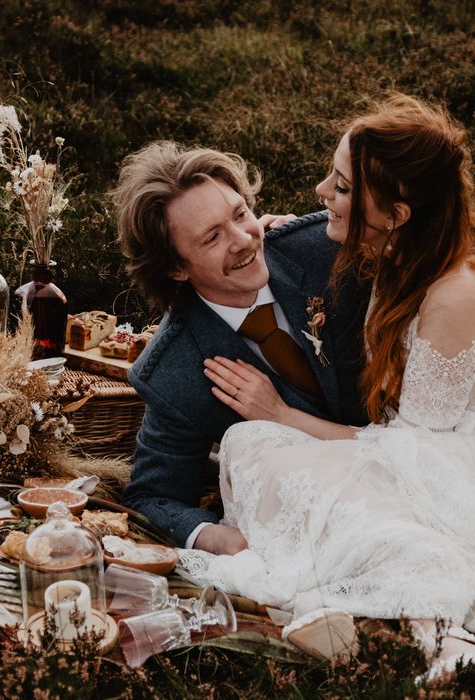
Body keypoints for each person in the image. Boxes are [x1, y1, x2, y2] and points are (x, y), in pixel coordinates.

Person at [189, 94, 475, 678]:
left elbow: (421, 453)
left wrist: (281, 413)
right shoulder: (401, 246)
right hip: (405, 447)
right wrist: (268, 235)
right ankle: (357, 607)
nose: (322, 192)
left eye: (341, 187)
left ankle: (433, 623)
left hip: (449, 466)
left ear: (395, 214)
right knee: (250, 444)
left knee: (283, 450)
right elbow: (324, 226)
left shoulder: (455, 294)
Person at [110, 142, 369, 554]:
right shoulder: (171, 372)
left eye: (240, 215)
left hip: (421, 466)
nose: (244, 240)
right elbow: (152, 498)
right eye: (212, 237)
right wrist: (220, 538)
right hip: (313, 536)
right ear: (176, 268)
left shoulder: (328, 248)